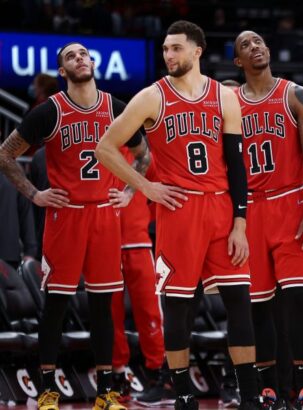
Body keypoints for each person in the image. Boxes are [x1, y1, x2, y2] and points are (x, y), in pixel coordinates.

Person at [95, 21, 260, 410]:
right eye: (166, 49)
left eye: (176, 48)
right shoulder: (151, 97)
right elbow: (105, 148)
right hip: (178, 210)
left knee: (239, 301)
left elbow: (237, 166)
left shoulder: (225, 97)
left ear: (197, 51)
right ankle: (183, 394)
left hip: (221, 208)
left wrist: (240, 222)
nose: (169, 55)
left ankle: (250, 396)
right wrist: (146, 187)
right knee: (179, 306)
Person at [0, 42, 149, 410]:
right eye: (71, 56)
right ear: (62, 71)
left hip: (104, 216)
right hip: (65, 215)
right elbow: (5, 154)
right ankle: (47, 389)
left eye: (84, 54)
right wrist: (34, 194)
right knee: (56, 304)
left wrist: (129, 191)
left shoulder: (116, 107)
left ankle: (106, 392)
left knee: (103, 306)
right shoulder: (49, 111)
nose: (79, 58)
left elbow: (144, 156)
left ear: (92, 62)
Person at [233, 30, 303, 410]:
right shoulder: (230, 103)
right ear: (238, 61)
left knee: (298, 298)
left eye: (259, 42)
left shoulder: (295, 95)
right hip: (250, 210)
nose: (255, 47)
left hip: (290, 204)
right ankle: (268, 388)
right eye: (246, 45)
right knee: (258, 304)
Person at [109, 146, 165, 404]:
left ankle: (158, 373)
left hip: (138, 243)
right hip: (105, 243)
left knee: (149, 312)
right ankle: (117, 375)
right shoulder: (98, 150)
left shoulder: (141, 153)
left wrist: (144, 219)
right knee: (111, 316)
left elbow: (160, 188)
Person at [0, 172, 37, 269]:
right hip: (8, 253)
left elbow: (25, 212)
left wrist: (30, 251)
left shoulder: (13, 172)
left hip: (8, 253)